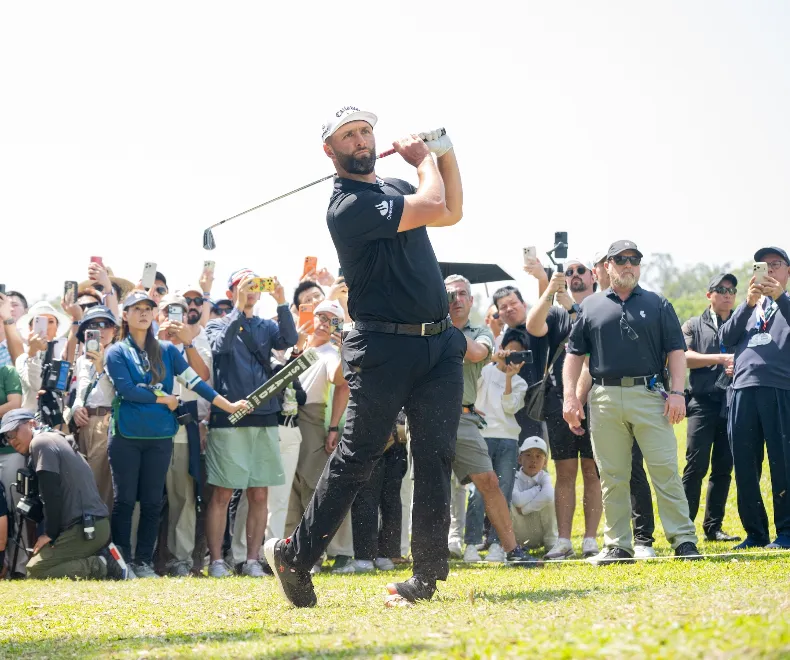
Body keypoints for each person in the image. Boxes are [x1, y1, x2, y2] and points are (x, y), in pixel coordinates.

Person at [265, 107, 465, 608]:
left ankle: (426, 577)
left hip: (438, 342)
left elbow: (451, 210)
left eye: (365, 131)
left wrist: (445, 153)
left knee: (436, 455)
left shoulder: (397, 186)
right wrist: (425, 161)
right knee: (357, 457)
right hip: (382, 346)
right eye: (349, 135)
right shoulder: (347, 205)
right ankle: (294, 555)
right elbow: (433, 199)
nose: (361, 140)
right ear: (330, 152)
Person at [563, 240, 700, 564]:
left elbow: (676, 353)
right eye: (620, 259)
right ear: (607, 266)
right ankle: (618, 545)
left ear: (639, 266)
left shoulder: (658, 304)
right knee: (612, 474)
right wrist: (571, 398)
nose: (628, 265)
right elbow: (574, 355)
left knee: (664, 470)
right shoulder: (592, 307)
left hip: (649, 394)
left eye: (634, 259)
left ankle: (683, 539)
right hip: (604, 397)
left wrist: (678, 393)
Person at [105, 291, 249, 578]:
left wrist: (228, 405)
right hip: (126, 436)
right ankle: (121, 564)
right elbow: (127, 389)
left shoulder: (169, 351)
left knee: (151, 501)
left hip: (160, 436)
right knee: (124, 501)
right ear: (125, 314)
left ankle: (143, 563)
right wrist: (164, 399)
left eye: (148, 308)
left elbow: (198, 383)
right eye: (137, 309)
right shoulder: (116, 351)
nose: (144, 313)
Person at [204, 268, 297, 578]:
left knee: (260, 493)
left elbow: (289, 339)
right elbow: (221, 348)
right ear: (232, 291)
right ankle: (217, 560)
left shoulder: (265, 325)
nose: (252, 290)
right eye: (245, 286)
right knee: (222, 493)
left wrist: (282, 302)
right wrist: (237, 309)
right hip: (230, 418)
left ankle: (253, 559)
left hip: (265, 416)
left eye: (256, 286)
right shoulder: (218, 322)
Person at [444, 275, 532, 565]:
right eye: (450, 295)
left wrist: (441, 328)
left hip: (465, 418)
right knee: (432, 487)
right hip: (428, 418)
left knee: (489, 482)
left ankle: (511, 550)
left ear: (471, 300)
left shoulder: (479, 331)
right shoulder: (425, 329)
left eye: (461, 294)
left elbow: (477, 353)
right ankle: (431, 552)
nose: (456, 299)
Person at [525, 260, 601, 560]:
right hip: (560, 400)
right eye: (569, 273)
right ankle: (564, 540)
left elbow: (594, 334)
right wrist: (549, 290)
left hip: (596, 399)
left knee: (592, 472)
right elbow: (533, 325)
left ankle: (592, 539)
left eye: (580, 270)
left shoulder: (600, 306)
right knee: (565, 471)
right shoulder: (556, 313)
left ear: (593, 276)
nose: (574, 276)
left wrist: (572, 306)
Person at [0, 409, 129, 580]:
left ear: (32, 423)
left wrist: (50, 534)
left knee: (36, 571)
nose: (11, 440)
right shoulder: (54, 438)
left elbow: (52, 496)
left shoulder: (41, 443)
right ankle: (98, 555)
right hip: (89, 526)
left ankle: (102, 564)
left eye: (13, 432)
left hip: (86, 528)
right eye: (6, 437)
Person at [721, 246, 790, 550]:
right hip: (742, 389)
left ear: (787, 271)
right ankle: (756, 534)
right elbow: (726, 337)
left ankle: (786, 532)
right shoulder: (750, 307)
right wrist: (747, 304)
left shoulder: (785, 303)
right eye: (763, 266)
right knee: (745, 465)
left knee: (783, 463)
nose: (770, 270)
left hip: (780, 388)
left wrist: (780, 299)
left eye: (776, 264)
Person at [284, 299, 351, 574]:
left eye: (331, 320)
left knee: (313, 487)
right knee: (290, 487)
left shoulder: (331, 353)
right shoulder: (297, 348)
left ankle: (317, 552)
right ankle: (290, 549)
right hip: (287, 418)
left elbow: (342, 382)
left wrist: (333, 426)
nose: (323, 323)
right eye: (320, 317)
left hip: (313, 420)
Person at [156, 293, 214, 577]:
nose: (175, 315)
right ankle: (134, 558)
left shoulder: (198, 343)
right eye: (169, 309)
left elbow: (202, 375)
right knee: (144, 498)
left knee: (183, 498)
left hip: (183, 426)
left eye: (180, 309)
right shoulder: (147, 342)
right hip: (148, 427)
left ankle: (180, 560)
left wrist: (186, 342)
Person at [681, 273, 741, 542]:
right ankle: (684, 529)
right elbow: (683, 357)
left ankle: (713, 528)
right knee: (696, 466)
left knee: (723, 468)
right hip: (702, 403)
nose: (727, 294)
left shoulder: (743, 324)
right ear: (709, 295)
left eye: (731, 290)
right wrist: (720, 358)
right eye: (720, 289)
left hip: (733, 404)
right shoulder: (693, 324)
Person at [464, 328, 530, 562]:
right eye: (509, 350)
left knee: (504, 492)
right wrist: (494, 359)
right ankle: (471, 543)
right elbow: (472, 388)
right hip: (481, 435)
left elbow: (510, 407)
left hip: (508, 439)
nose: (512, 355)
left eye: (518, 353)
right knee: (477, 493)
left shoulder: (520, 382)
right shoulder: (486, 370)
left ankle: (497, 544)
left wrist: (510, 378)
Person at [69, 305, 120, 513]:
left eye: (105, 324)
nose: (100, 329)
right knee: (81, 486)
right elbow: (79, 393)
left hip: (107, 421)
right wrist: (76, 408)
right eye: (92, 325)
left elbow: (122, 393)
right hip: (84, 425)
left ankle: (104, 541)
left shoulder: (120, 355)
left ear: (114, 330)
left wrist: (102, 366)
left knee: (101, 489)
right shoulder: (81, 360)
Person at [492, 285, 549, 440]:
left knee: (535, 457)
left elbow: (545, 302)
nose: (509, 309)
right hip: (510, 405)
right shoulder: (507, 335)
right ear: (498, 314)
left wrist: (542, 278)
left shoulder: (535, 327)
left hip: (534, 404)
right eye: (503, 307)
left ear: (524, 305)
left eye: (513, 303)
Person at [350, 424, 407, 572]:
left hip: (375, 437)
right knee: (391, 500)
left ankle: (365, 558)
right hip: (397, 441)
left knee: (366, 498)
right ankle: (386, 555)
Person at [14, 301, 71, 413]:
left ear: (56, 328)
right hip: (32, 420)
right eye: (39, 322)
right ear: (30, 328)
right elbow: (35, 385)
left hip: (59, 420)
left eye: (51, 322)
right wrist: (33, 353)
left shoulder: (63, 354)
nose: (46, 327)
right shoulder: (23, 359)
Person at [510, 436, 558, 553]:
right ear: (520, 459)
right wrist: (537, 489)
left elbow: (547, 496)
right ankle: (511, 546)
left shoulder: (544, 477)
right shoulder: (514, 477)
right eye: (528, 455)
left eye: (538, 456)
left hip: (540, 535)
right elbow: (517, 500)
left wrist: (525, 509)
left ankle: (551, 543)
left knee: (552, 499)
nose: (533, 460)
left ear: (545, 462)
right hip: (519, 537)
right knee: (508, 501)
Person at [0, 362, 24, 576]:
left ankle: (18, 567)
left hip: (9, 451)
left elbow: (14, 404)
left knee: (16, 509)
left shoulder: (7, 371)